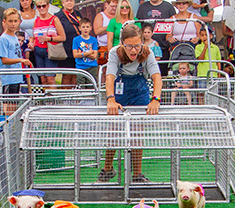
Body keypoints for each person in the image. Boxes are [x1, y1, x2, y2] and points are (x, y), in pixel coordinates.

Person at [97, 24, 162, 183]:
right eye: (129, 46)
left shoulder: (147, 53)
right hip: (119, 93)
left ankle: (137, 174)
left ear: (142, 42)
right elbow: (110, 76)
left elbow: (157, 77)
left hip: (139, 93)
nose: (133, 50)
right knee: (113, 131)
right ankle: (107, 169)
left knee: (137, 133)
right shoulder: (114, 53)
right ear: (122, 44)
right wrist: (111, 99)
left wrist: (156, 99)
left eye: (137, 45)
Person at [30, 0, 66, 87]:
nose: (42, 8)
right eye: (39, 6)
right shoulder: (36, 20)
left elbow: (62, 37)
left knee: (50, 78)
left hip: (50, 50)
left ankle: (53, 99)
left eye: (44, 6)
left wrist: (49, 38)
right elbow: (33, 36)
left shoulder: (54, 19)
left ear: (48, 6)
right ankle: (45, 99)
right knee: (43, 79)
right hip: (38, 50)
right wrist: (31, 43)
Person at [0, 8, 32, 99]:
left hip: (17, 76)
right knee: (9, 104)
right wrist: (21, 60)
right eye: (10, 21)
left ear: (19, 22)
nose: (13, 24)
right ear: (5, 22)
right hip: (9, 77)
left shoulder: (14, 37)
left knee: (14, 103)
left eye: (15, 21)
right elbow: (4, 60)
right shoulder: (4, 38)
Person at [136, 0, 176, 76]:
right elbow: (138, 26)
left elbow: (174, 24)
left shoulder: (168, 7)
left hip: (164, 47)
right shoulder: (142, 7)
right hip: (145, 48)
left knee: (162, 75)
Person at [55, 0, 82, 87]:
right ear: (63, 3)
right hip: (66, 48)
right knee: (67, 75)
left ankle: (75, 97)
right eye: (67, 1)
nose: (69, 3)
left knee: (76, 74)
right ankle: (65, 97)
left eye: (71, 1)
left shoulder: (78, 14)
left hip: (78, 48)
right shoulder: (58, 16)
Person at [195, 27, 221, 104]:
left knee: (213, 93)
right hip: (202, 74)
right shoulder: (198, 47)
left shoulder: (215, 48)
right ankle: (201, 107)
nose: (204, 37)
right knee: (201, 93)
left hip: (213, 74)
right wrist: (205, 47)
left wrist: (219, 74)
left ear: (211, 36)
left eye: (206, 35)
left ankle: (213, 106)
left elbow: (218, 62)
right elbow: (200, 59)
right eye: (202, 35)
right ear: (200, 36)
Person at [72, 18, 99, 87]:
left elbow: (94, 56)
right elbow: (75, 55)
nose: (85, 29)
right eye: (83, 27)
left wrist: (82, 53)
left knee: (92, 86)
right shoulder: (76, 40)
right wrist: (89, 53)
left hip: (92, 66)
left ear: (90, 28)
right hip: (80, 66)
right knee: (81, 86)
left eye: (87, 27)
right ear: (79, 28)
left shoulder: (94, 40)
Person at [93, 0, 118, 65]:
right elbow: (97, 31)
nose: (114, 8)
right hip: (103, 48)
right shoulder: (100, 16)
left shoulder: (118, 16)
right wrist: (111, 26)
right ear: (106, 4)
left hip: (116, 46)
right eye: (112, 6)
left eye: (116, 6)